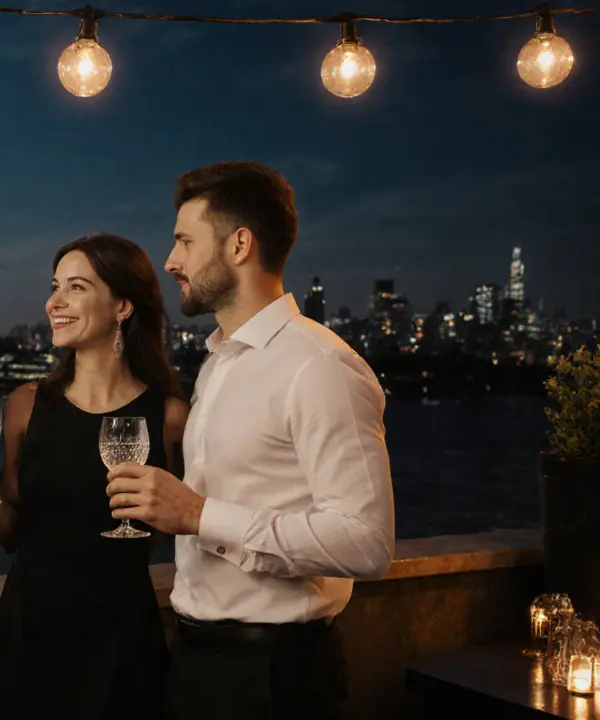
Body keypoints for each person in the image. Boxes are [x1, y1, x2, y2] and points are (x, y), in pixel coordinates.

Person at [104, 161, 395, 719]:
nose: (171, 261)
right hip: (197, 663)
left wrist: (199, 515)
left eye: (185, 241)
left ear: (239, 245)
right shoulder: (218, 363)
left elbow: (367, 542)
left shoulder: (321, 366)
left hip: (275, 678)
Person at [0, 232, 190, 720]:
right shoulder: (26, 405)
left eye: (75, 288)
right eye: (55, 286)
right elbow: (13, 538)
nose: (54, 302)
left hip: (120, 643)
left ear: (123, 306)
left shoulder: (169, 418)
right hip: (27, 637)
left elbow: (188, 528)